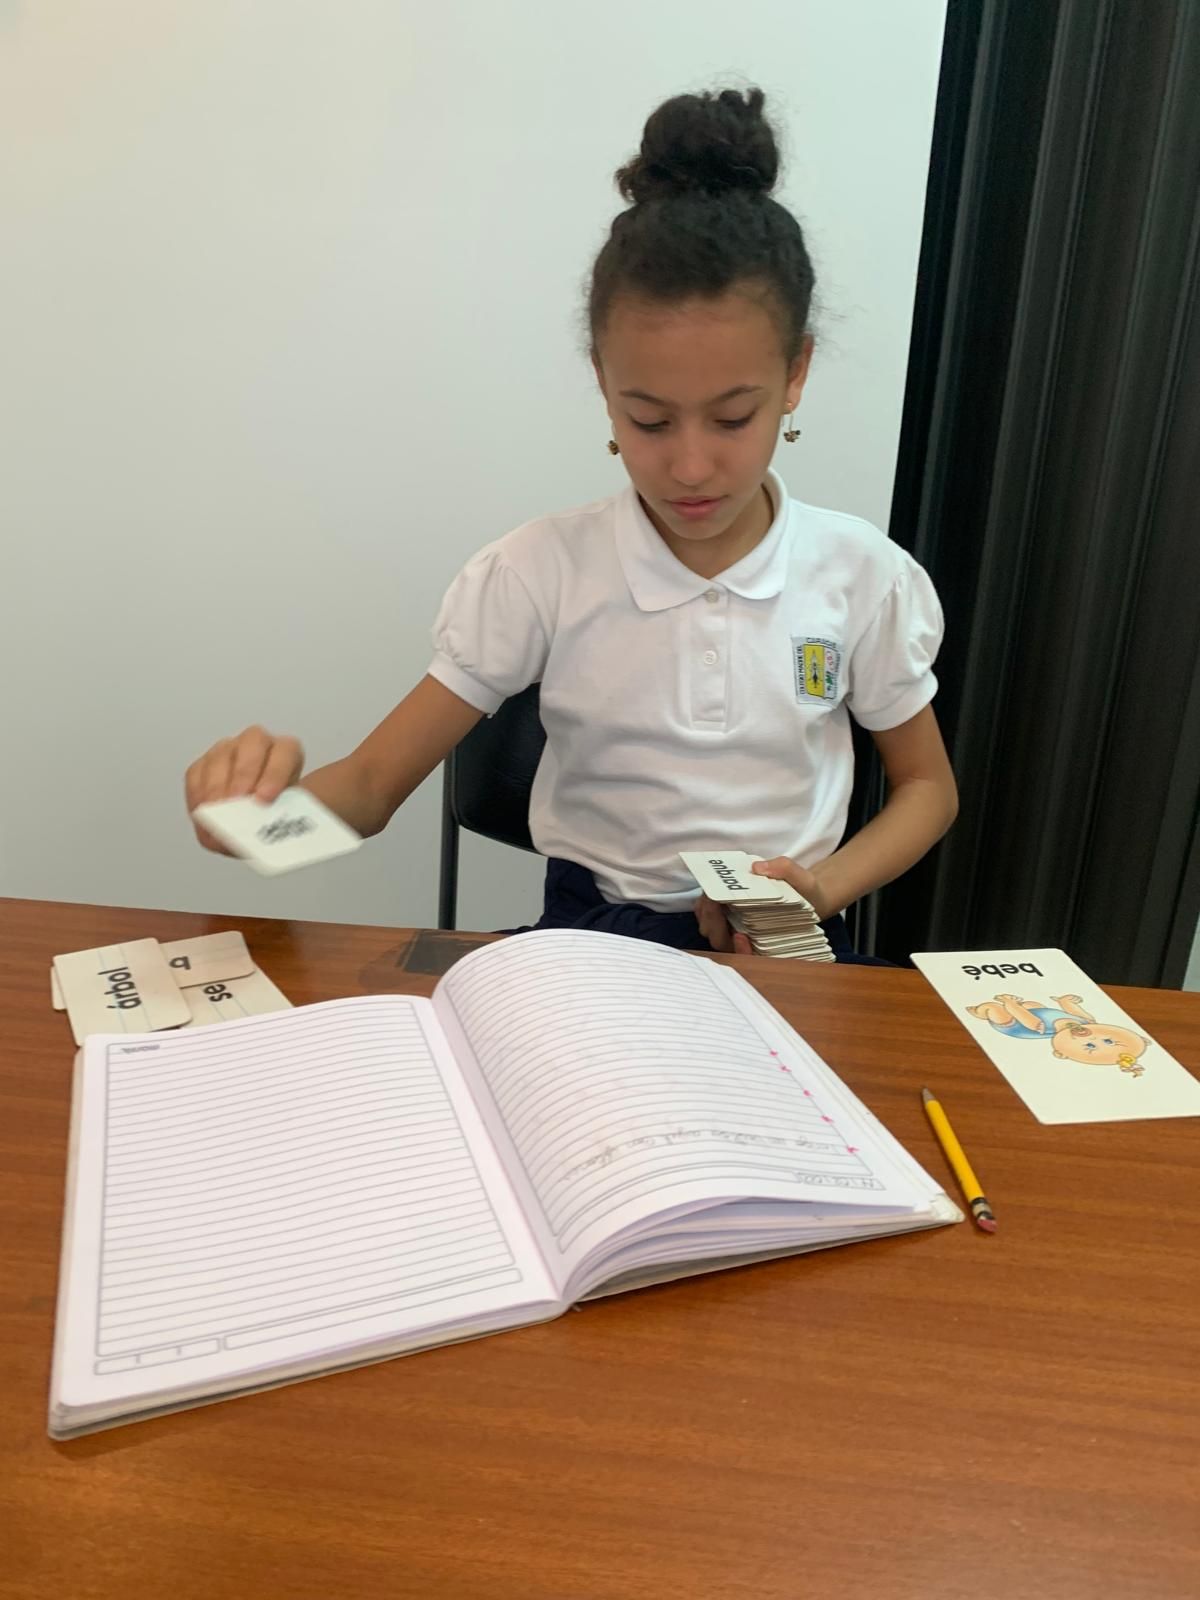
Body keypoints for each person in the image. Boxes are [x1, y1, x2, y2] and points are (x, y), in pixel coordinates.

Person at [184, 87, 958, 958]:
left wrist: (822, 888)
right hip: (592, 949)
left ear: (796, 374)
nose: (692, 465)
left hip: (785, 948)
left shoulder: (860, 574)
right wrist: (257, 829)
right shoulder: (539, 571)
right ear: (603, 383)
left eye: (735, 418)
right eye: (650, 421)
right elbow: (368, 788)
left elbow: (928, 786)